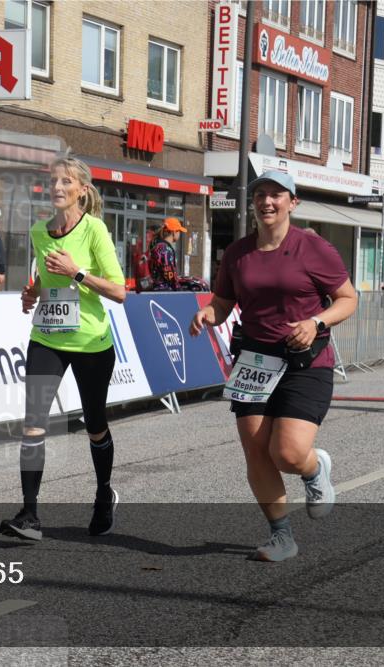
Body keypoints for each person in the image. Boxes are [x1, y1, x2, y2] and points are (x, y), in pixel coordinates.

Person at [189, 171, 358, 562]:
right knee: (257, 453)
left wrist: (316, 322)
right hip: (254, 361)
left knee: (288, 453)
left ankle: (315, 469)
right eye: (261, 195)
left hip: (306, 361)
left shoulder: (314, 248)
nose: (267, 202)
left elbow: (348, 299)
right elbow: (224, 302)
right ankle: (281, 536)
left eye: (276, 195)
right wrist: (207, 315)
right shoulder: (238, 253)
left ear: (292, 202)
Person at [0, 156, 126, 541]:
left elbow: (119, 292)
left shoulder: (95, 231)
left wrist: (78, 272)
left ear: (81, 191)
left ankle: (103, 494)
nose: (57, 187)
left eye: (66, 181)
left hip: (91, 342)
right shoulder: (40, 231)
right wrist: (32, 293)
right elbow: (44, 277)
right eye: (53, 181)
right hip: (48, 338)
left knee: (94, 424)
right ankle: (29, 515)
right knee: (33, 423)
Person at [148, 217, 186, 291]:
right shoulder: (164, 249)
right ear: (174, 232)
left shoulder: (159, 246)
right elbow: (169, 274)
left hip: (157, 289)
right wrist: (178, 288)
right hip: (163, 291)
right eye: (179, 231)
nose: (180, 234)